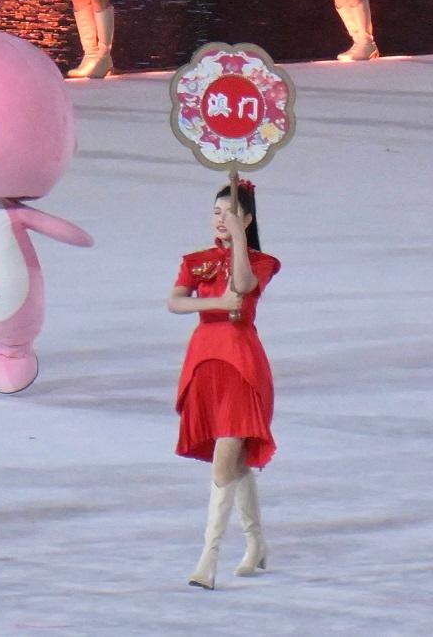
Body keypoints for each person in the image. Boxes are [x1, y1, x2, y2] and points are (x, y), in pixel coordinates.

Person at [169, 180, 278, 587]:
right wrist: (214, 303)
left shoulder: (261, 262)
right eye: (216, 213)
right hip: (204, 362)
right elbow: (175, 301)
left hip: (241, 365)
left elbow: (245, 285)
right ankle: (256, 543)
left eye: (229, 214)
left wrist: (237, 240)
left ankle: (208, 558)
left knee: (224, 460)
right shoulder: (196, 262)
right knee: (237, 463)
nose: (220, 219)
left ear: (247, 219)